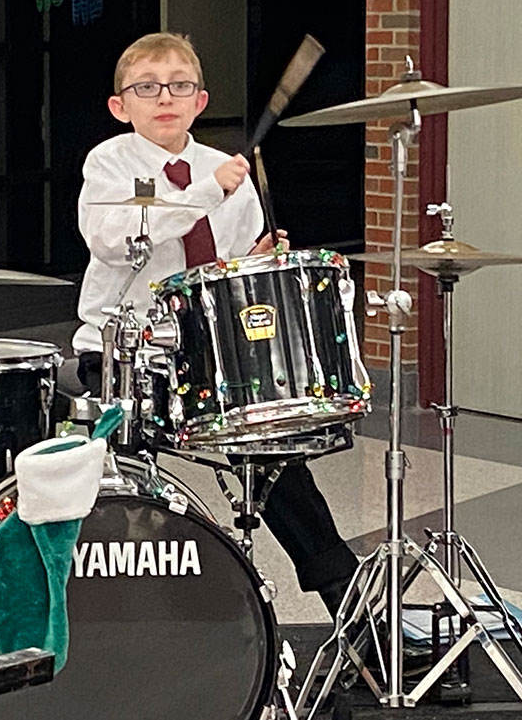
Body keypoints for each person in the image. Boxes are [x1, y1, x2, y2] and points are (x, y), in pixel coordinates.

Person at [70, 31, 358, 618]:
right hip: (125, 355)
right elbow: (114, 238)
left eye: (180, 86)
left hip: (208, 354)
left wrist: (262, 257)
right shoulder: (110, 162)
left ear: (200, 101)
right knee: (109, 471)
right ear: (120, 107)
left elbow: (231, 267)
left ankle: (353, 607)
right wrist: (205, 193)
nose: (164, 98)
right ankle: (110, 608)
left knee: (275, 455)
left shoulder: (225, 169)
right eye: (146, 88)